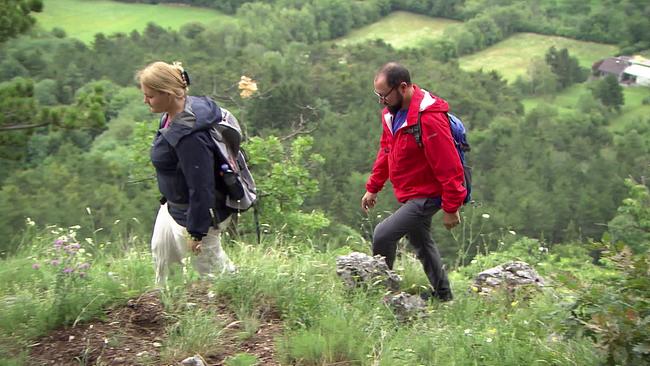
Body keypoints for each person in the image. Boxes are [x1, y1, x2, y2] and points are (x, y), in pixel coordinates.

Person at [361, 62, 467, 302]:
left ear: (403, 87)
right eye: (377, 95)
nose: (381, 101)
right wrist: (373, 187)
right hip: (412, 191)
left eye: (384, 95)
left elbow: (449, 166)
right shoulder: (391, 114)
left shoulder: (429, 119)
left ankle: (380, 293)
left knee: (383, 235)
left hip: (430, 194)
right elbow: (386, 151)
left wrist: (451, 208)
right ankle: (444, 297)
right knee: (420, 240)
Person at [136, 61, 236, 284]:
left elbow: (202, 187)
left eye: (150, 96)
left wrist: (197, 232)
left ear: (169, 93)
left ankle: (244, 303)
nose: (145, 100)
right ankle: (169, 306)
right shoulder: (173, 114)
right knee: (163, 256)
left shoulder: (190, 137)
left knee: (213, 271)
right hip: (172, 206)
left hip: (194, 214)